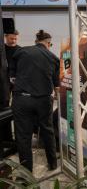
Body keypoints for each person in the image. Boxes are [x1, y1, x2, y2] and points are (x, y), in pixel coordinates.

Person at [10, 30, 59, 172]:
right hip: (43, 100)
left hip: (22, 100)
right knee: (47, 130)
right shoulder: (53, 57)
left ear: (36, 42)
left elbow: (12, 77)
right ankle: (52, 164)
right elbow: (56, 86)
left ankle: (27, 174)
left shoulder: (21, 52)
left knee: (23, 136)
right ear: (48, 43)